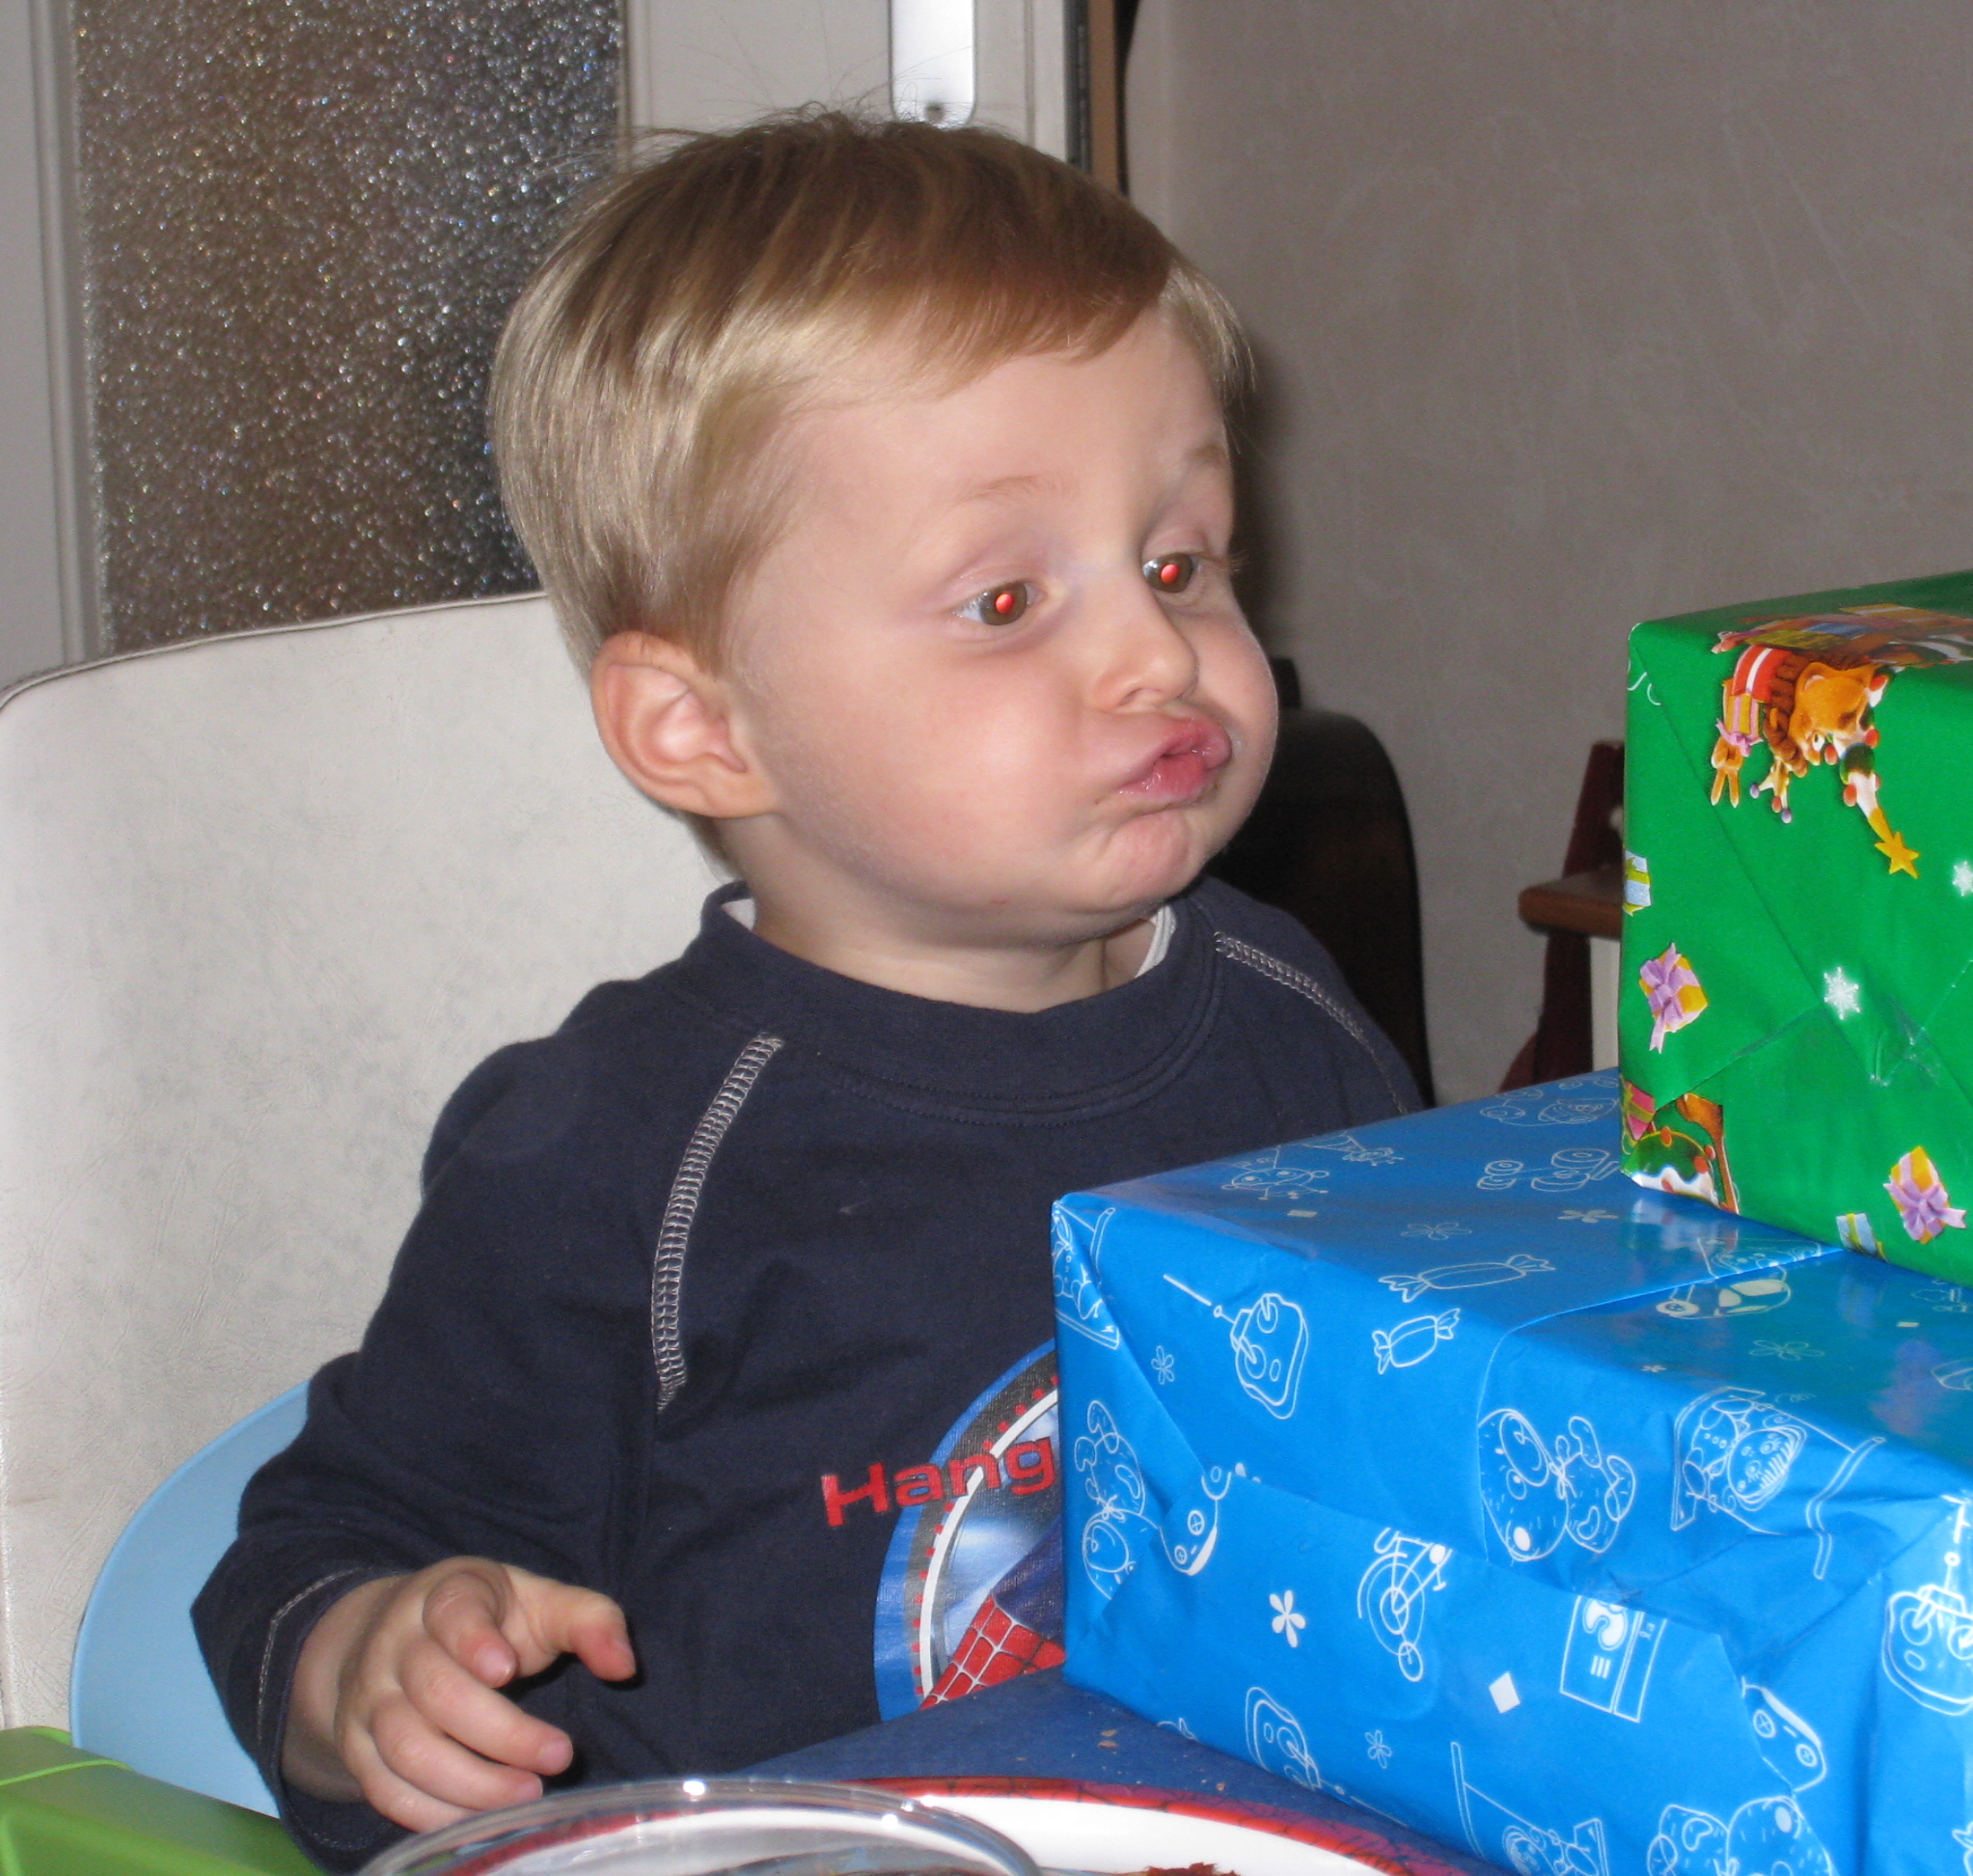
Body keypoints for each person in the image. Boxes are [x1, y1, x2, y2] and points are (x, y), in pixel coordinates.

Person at [194, 108, 1418, 1870]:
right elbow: (329, 1541)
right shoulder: (615, 1156)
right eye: (1008, 599)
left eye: (1179, 564)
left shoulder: (1289, 1004)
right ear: (704, 728)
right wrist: (372, 1664)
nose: (1158, 650)